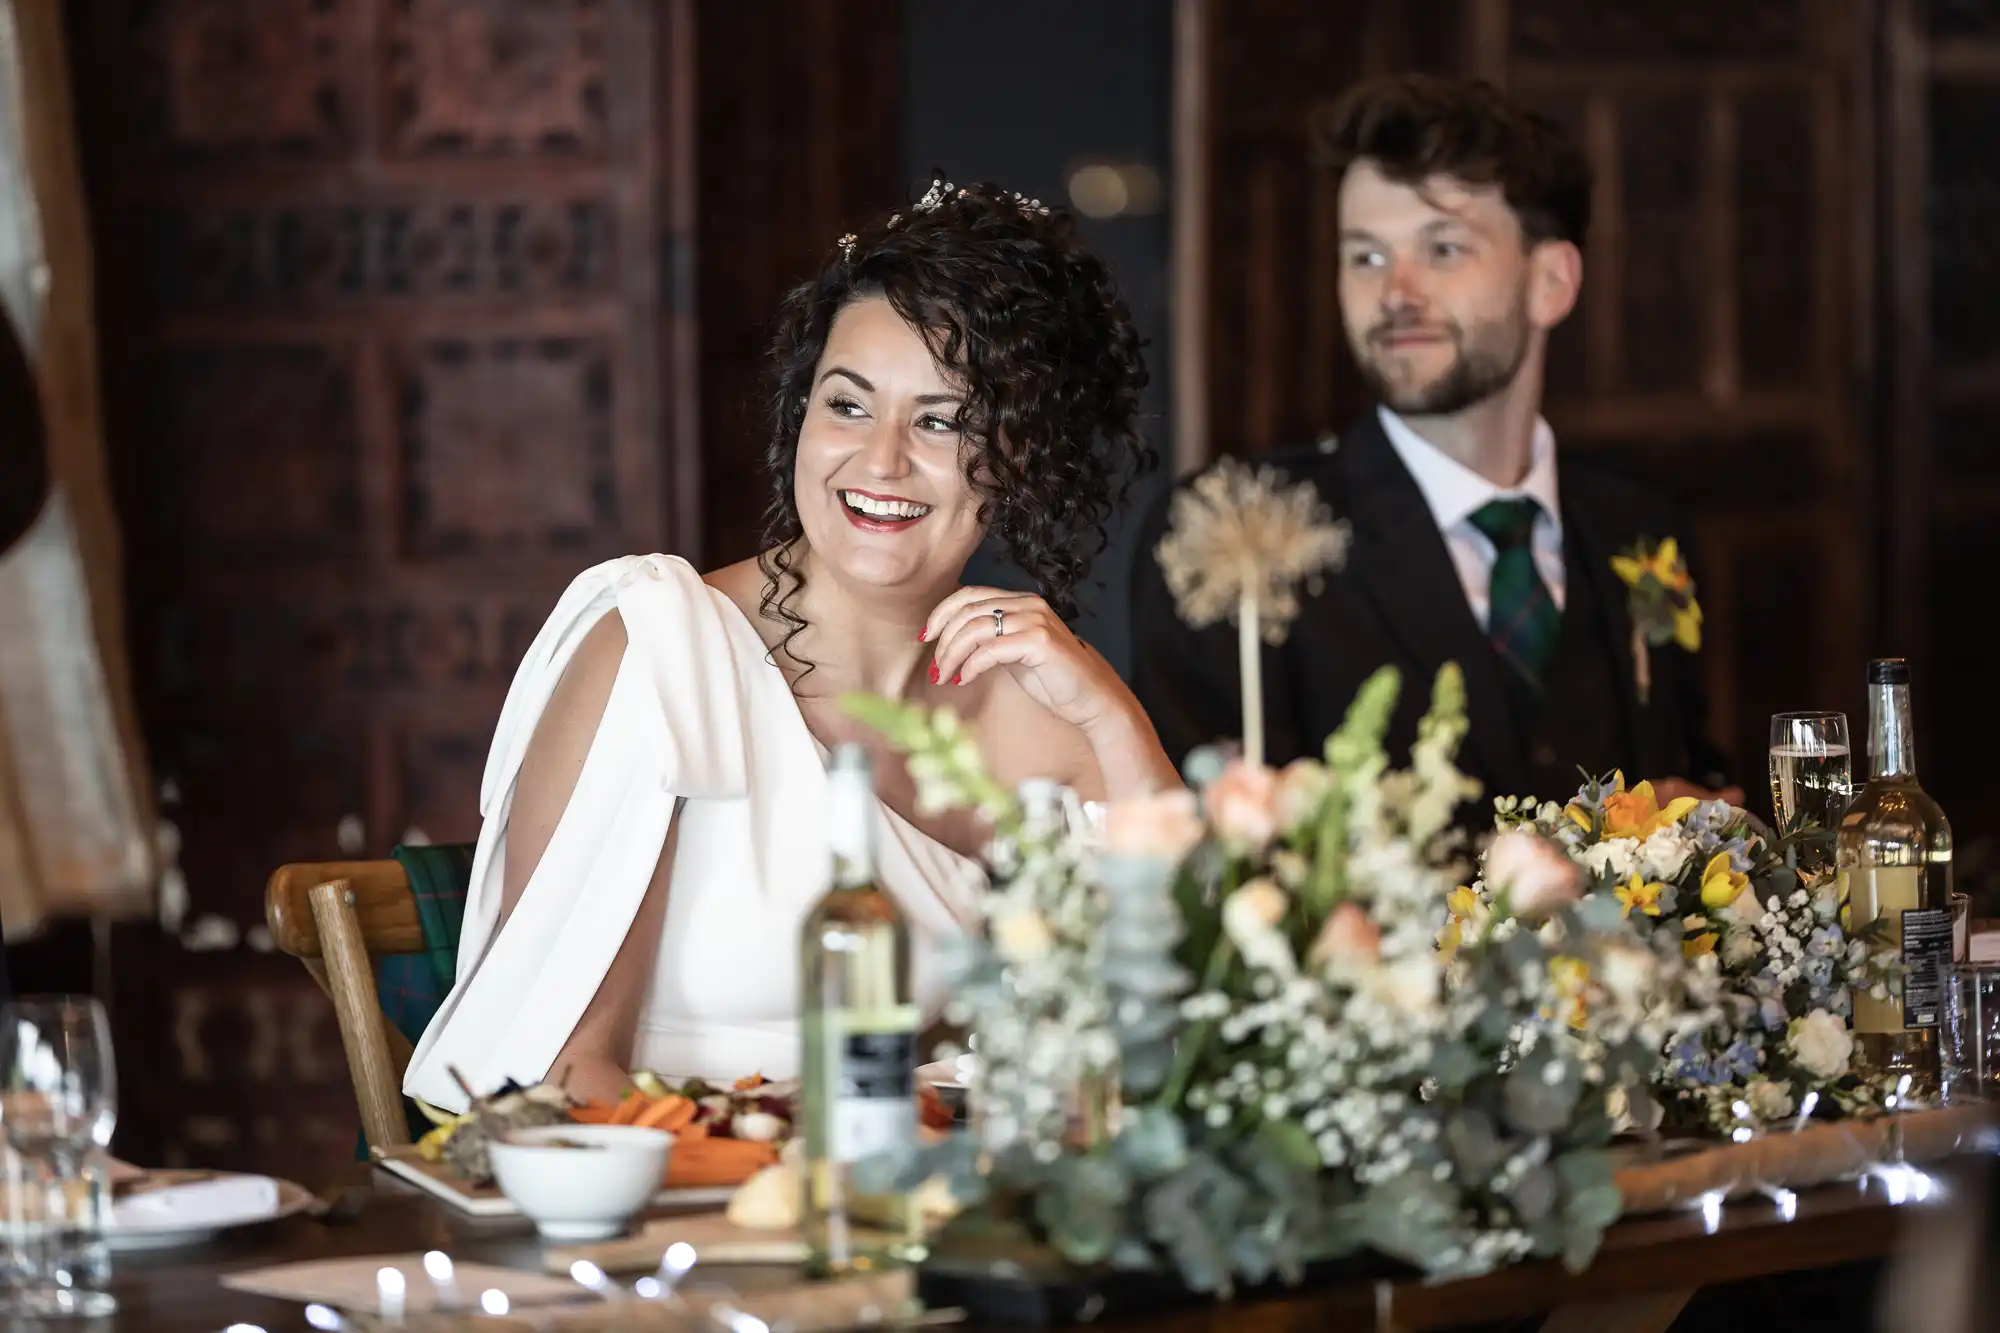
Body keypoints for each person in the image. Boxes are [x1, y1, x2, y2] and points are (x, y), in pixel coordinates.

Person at [406, 180, 1178, 1110]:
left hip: (926, 1207)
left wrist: (1111, 715)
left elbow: (1168, 1034)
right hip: (674, 1210)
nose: (882, 460)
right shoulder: (658, 648)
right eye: (848, 406)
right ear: (800, 417)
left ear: (1021, 456)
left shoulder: (1042, 715)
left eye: (940, 421)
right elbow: (563, 1075)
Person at [1131, 74, 1738, 820]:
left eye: (1443, 249)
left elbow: (1695, 779)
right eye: (1365, 256)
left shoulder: (1641, 528)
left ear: (1551, 282)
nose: (1396, 293)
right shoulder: (1232, 531)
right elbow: (1207, 862)